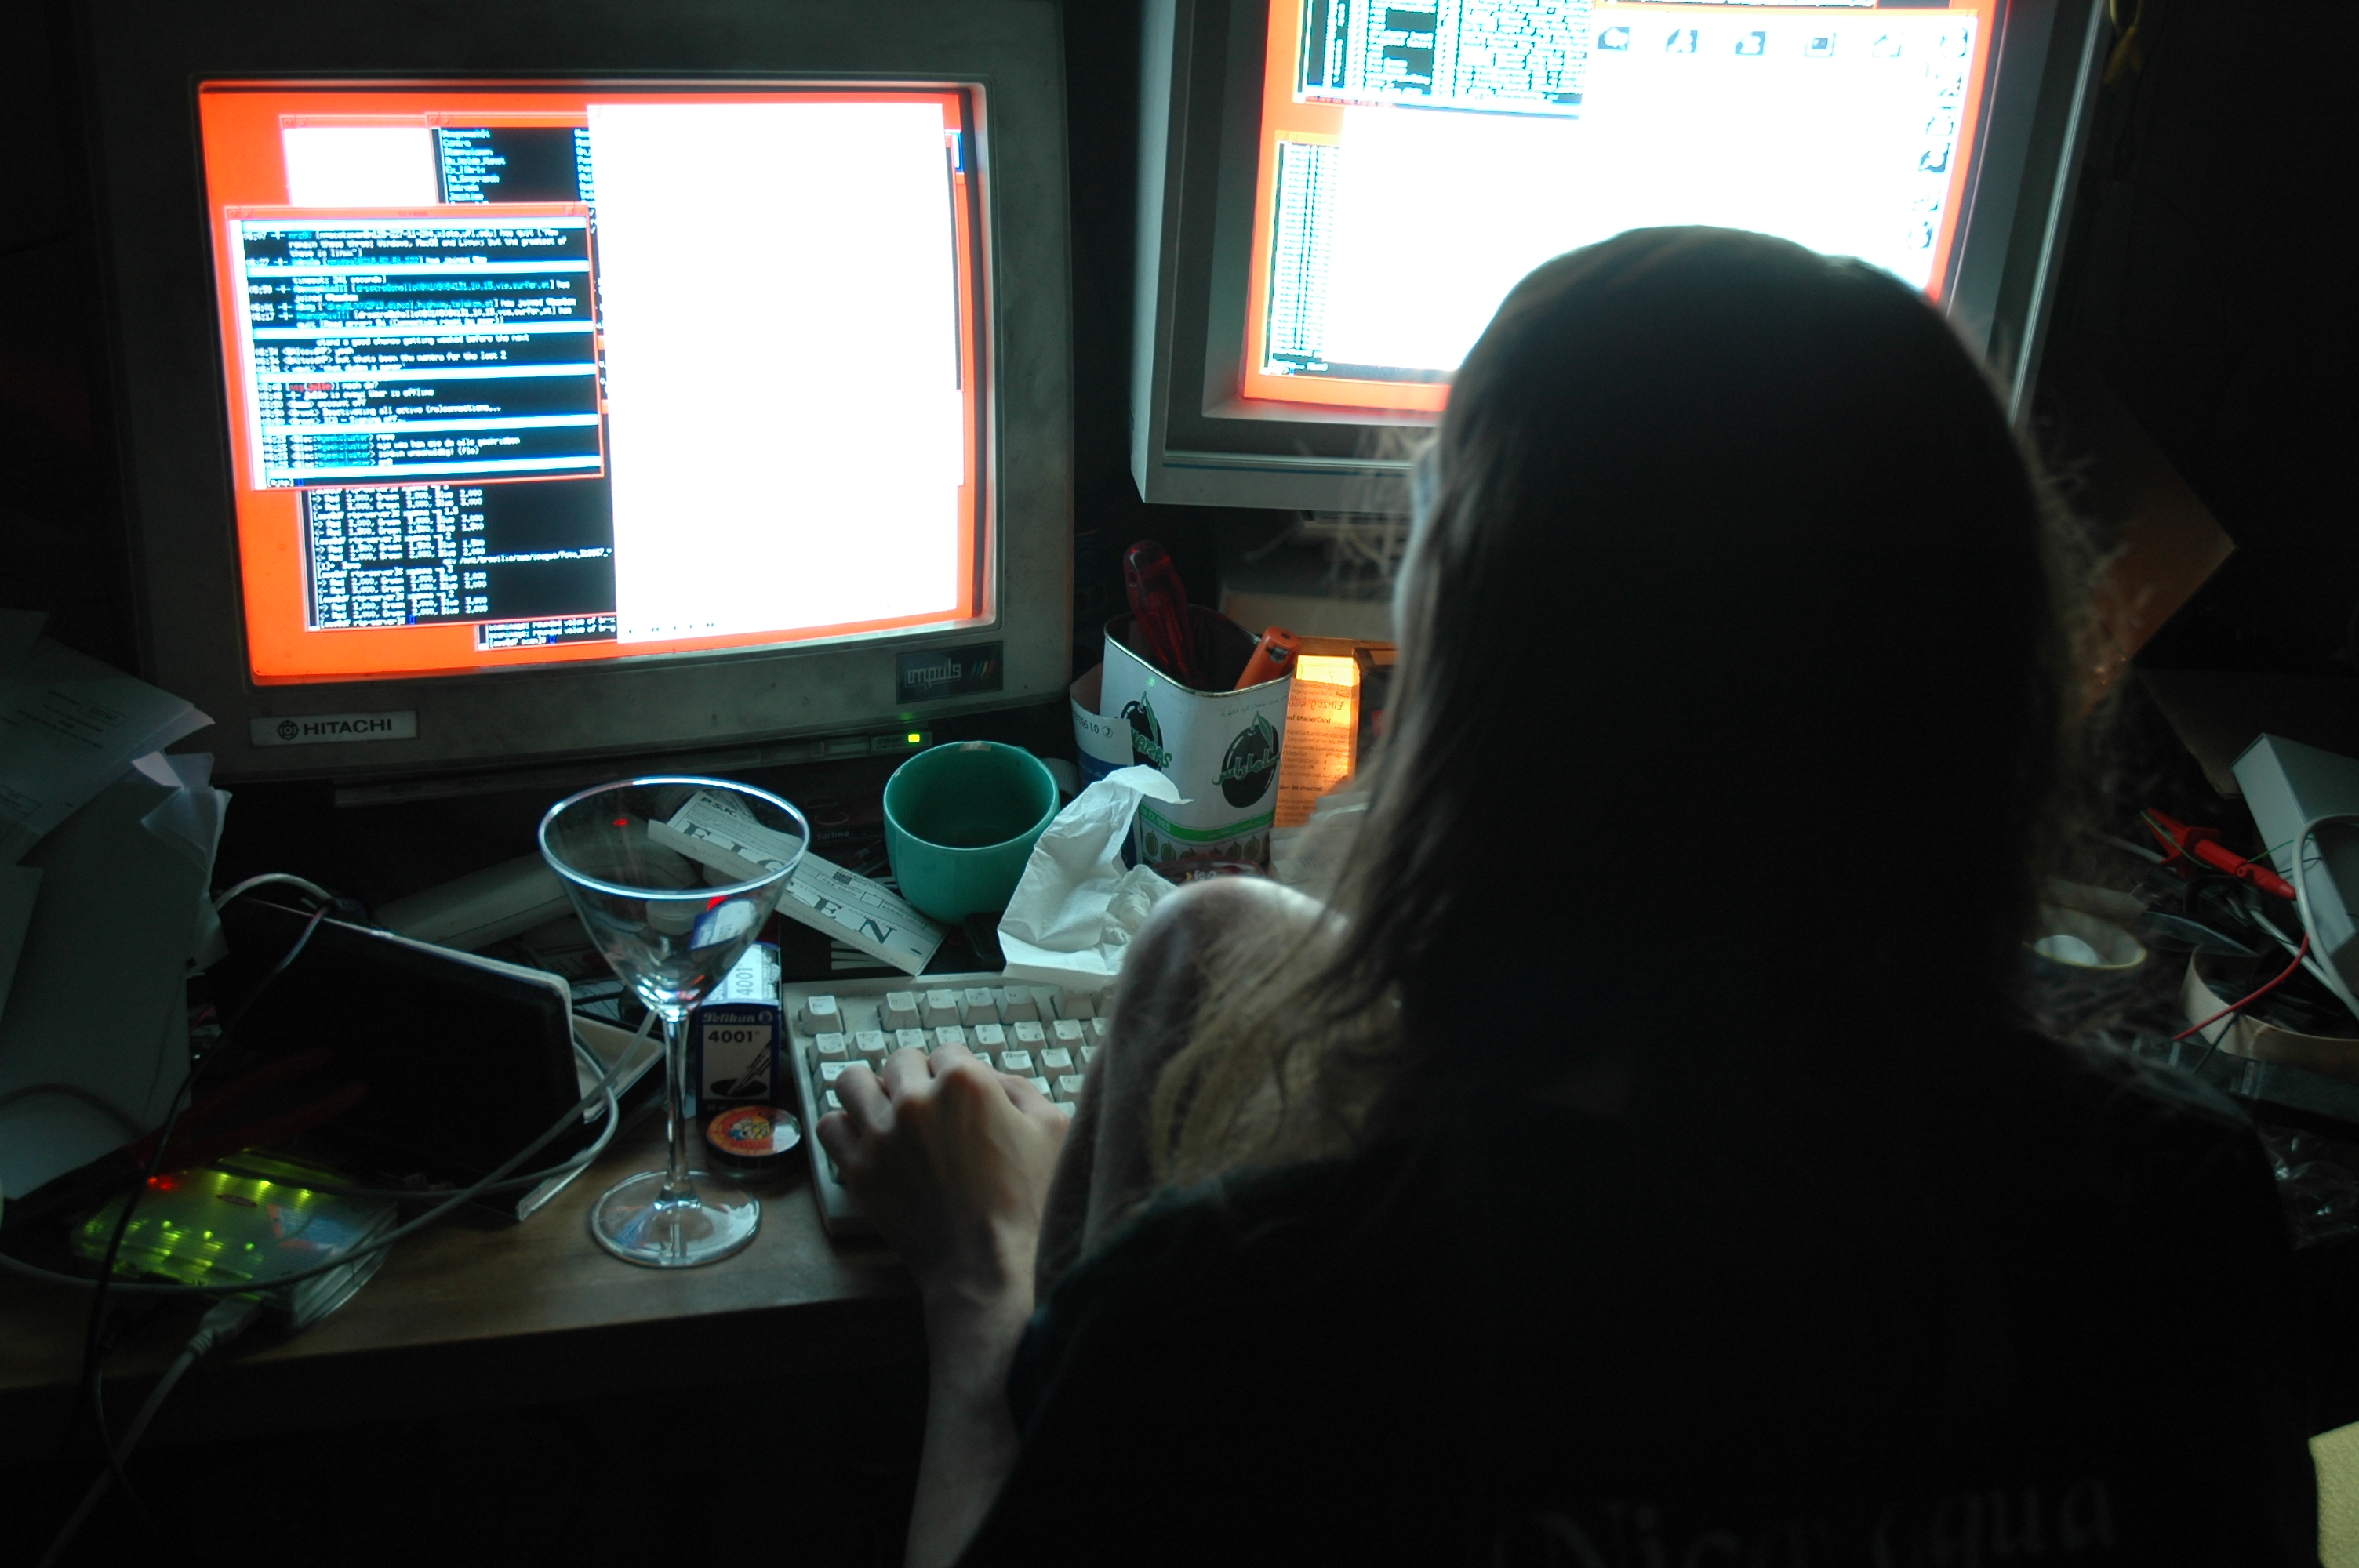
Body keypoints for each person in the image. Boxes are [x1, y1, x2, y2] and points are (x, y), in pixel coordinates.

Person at [818, 227, 2321, 1566]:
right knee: (1209, 932)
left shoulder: (1242, 1315)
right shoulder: (2177, 1214)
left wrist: (984, 1288)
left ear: (1477, 700)